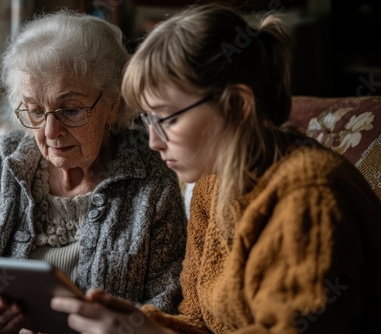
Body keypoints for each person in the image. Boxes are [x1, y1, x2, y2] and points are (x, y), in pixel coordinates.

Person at [50, 3, 381, 333]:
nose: (153, 141)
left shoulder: (312, 194)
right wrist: (136, 321)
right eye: (147, 119)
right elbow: (197, 320)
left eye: (167, 118)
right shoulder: (211, 186)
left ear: (237, 105)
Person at [0, 9, 187, 334]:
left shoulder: (151, 174)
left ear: (114, 104)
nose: (50, 131)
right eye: (35, 110)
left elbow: (166, 308)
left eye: (71, 110)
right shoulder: (3, 163)